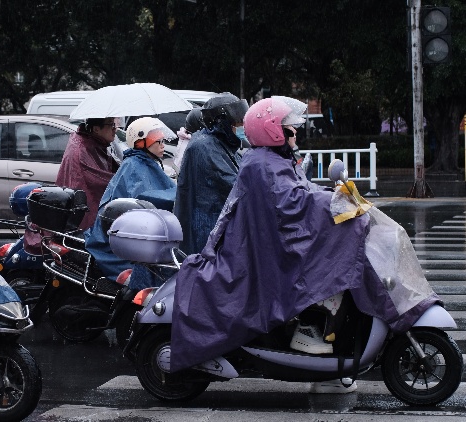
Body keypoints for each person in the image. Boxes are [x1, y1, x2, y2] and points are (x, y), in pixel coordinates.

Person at [170, 96, 439, 392]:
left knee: (337, 264)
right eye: (289, 127)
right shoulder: (261, 163)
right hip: (268, 249)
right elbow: (291, 202)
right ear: (273, 130)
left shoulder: (273, 158)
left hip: (274, 241)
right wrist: (335, 204)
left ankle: (328, 337)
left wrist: (332, 196)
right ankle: (312, 331)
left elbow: (301, 191)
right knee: (334, 267)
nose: (294, 131)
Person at [85, 117, 177, 289]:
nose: (162, 144)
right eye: (156, 139)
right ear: (140, 142)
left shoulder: (148, 162)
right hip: (114, 244)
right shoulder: (134, 166)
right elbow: (147, 198)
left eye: (162, 138)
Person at [173, 92, 249, 254]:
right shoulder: (204, 146)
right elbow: (234, 185)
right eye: (238, 122)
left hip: (221, 226)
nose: (242, 125)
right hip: (207, 228)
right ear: (222, 121)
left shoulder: (224, 144)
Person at [56, 117, 120, 230]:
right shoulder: (83, 149)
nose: (115, 129)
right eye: (111, 125)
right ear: (96, 129)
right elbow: (101, 181)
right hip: (83, 219)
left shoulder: (94, 144)